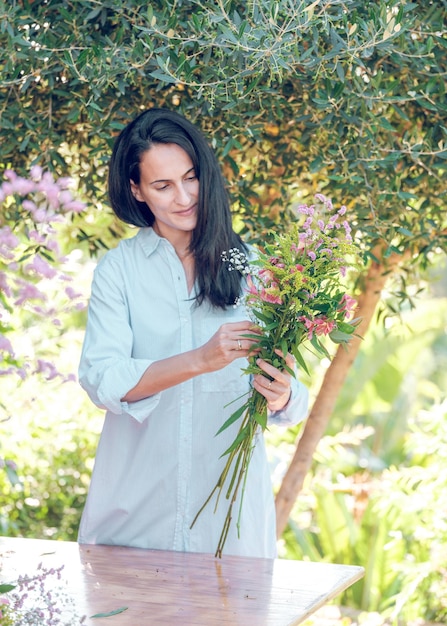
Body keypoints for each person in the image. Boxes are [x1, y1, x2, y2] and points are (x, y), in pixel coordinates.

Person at [78, 108, 309, 558]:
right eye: (162, 186)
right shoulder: (119, 272)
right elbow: (101, 378)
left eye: (191, 178)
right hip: (134, 516)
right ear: (136, 190)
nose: (183, 197)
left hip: (231, 521)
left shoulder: (257, 269)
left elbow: (294, 398)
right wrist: (200, 360)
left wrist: (280, 393)